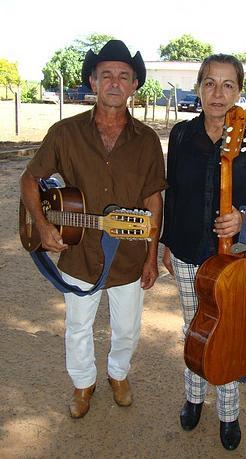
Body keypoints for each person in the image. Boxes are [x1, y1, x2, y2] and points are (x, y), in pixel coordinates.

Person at [20, 40, 166, 419]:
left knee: (128, 328)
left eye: (123, 76)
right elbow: (30, 179)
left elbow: (154, 202)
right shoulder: (64, 133)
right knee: (78, 326)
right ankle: (83, 383)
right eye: (107, 75)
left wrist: (151, 256)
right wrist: (41, 223)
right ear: (92, 81)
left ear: (135, 84)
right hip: (77, 253)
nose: (115, 83)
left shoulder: (148, 141)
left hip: (130, 257)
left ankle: (118, 374)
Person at [161, 54, 246, 451]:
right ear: (199, 88)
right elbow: (175, 192)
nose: (218, 94)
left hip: (235, 257)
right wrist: (166, 242)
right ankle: (194, 398)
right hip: (187, 252)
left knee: (230, 333)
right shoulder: (181, 135)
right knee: (194, 329)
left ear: (240, 91)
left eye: (228, 85)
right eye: (209, 84)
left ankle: (229, 414)